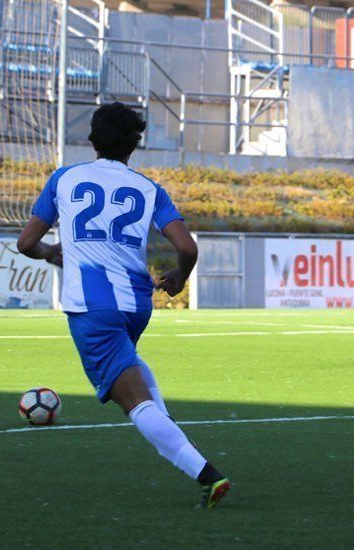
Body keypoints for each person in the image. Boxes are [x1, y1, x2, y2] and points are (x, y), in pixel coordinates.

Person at [16, 102, 230, 508]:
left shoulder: (64, 179)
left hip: (93, 307)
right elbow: (186, 246)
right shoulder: (149, 188)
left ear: (92, 139)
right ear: (135, 145)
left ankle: (206, 474)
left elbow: (26, 243)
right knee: (131, 368)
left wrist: (50, 252)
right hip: (136, 303)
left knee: (134, 402)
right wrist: (180, 278)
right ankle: (168, 430)